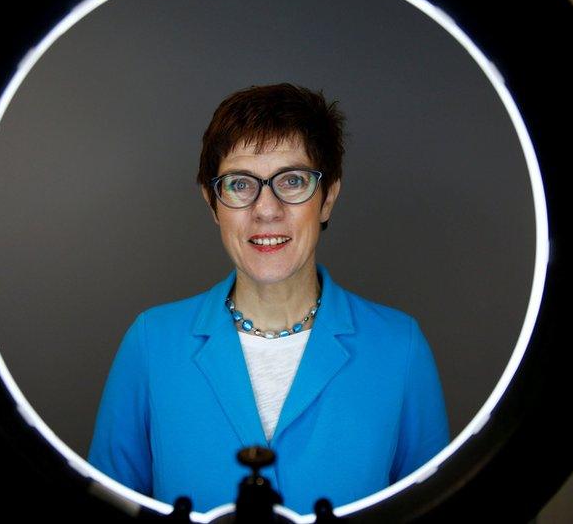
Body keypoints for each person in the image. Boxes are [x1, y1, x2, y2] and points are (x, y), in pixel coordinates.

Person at [88, 83, 449, 514]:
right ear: (212, 203)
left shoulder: (399, 347)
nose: (266, 209)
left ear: (328, 197)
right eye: (241, 184)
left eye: (292, 181)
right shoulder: (151, 342)